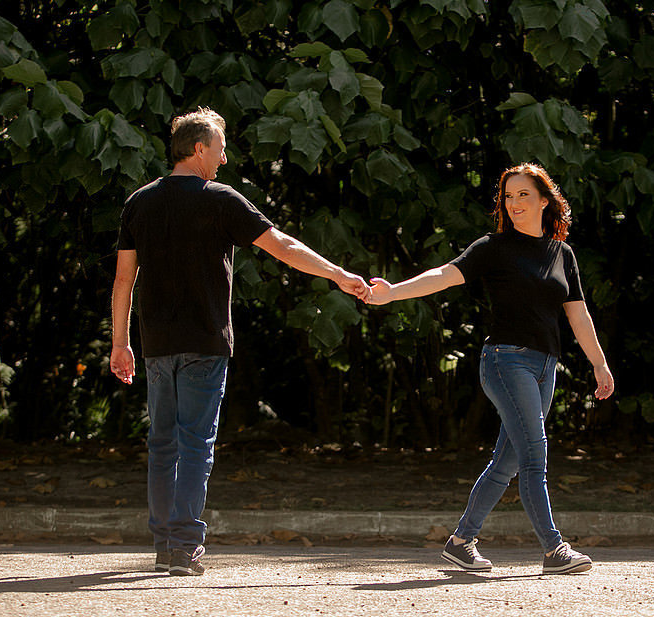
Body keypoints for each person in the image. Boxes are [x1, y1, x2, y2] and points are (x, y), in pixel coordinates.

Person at [110, 107, 370, 576]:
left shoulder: (139, 203)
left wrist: (120, 343)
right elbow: (283, 247)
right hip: (207, 341)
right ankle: (184, 545)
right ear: (198, 149)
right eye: (220, 149)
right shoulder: (221, 199)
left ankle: (165, 543)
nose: (224, 159)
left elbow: (123, 280)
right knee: (195, 444)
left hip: (157, 343)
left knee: (162, 443)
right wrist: (336, 273)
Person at [365, 163, 614, 575]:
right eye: (508, 196)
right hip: (505, 360)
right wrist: (393, 292)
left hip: (545, 366)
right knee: (535, 455)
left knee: (509, 460)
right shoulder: (494, 247)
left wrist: (599, 364)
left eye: (523, 195)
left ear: (544, 200)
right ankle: (554, 549)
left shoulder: (561, 253)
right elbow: (444, 275)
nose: (514, 203)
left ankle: (461, 542)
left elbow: (578, 313)